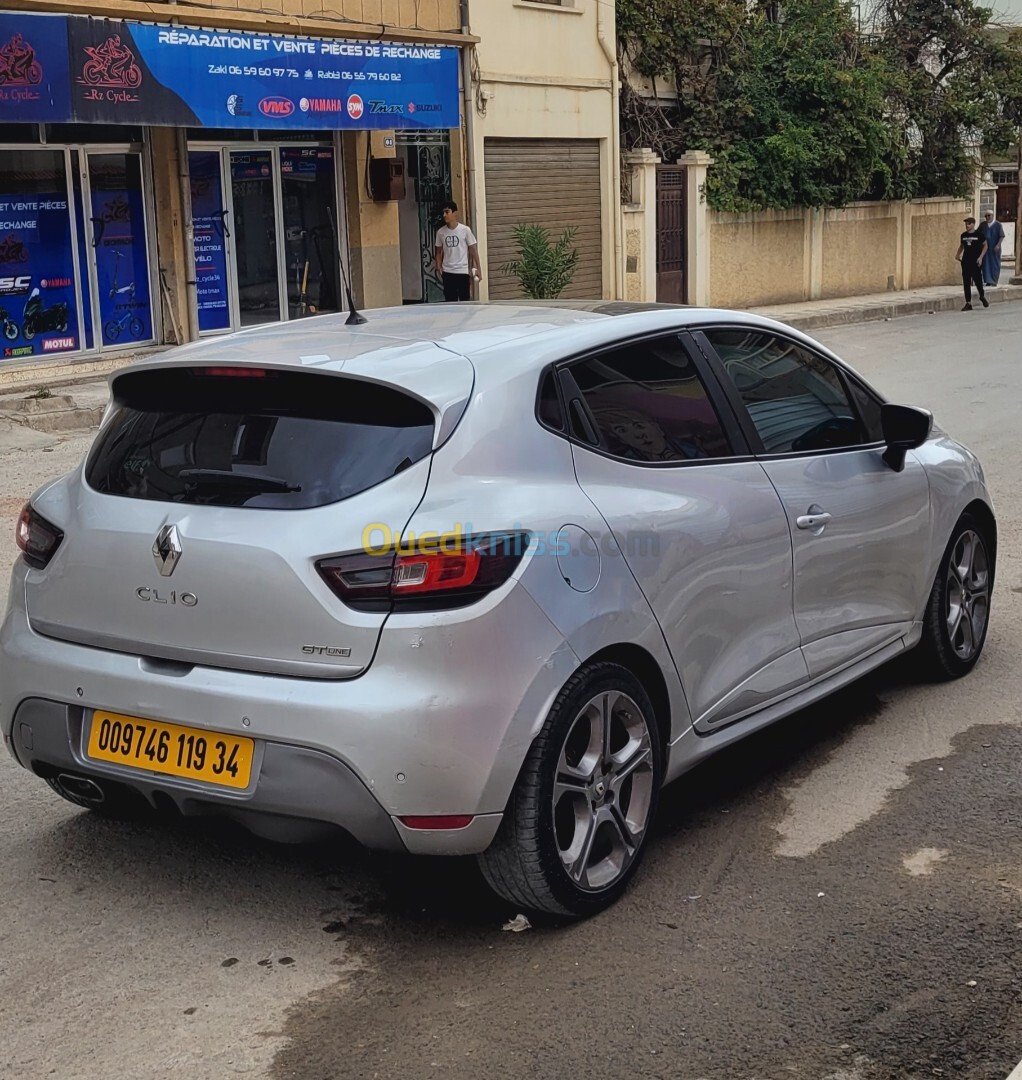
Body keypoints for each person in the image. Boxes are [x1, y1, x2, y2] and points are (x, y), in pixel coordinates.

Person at [435, 201, 481, 302]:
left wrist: (478, 268)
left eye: (447, 212)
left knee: (464, 300)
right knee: (450, 301)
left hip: (462, 271)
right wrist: (438, 265)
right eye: (443, 213)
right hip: (448, 272)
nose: (444, 215)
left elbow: (473, 250)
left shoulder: (465, 230)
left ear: (455, 213)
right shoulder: (441, 232)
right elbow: (438, 251)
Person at [956, 217, 989, 311]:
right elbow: (962, 246)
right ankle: (968, 303)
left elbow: (985, 245)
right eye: (966, 224)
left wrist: (981, 257)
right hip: (966, 261)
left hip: (975, 261)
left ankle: (982, 296)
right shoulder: (963, 235)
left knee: (978, 281)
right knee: (966, 282)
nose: (967, 225)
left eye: (969, 224)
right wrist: (958, 255)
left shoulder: (979, 235)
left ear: (973, 224)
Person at [981, 211, 1005, 287]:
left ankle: (994, 281)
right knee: (986, 264)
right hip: (986, 248)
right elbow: (978, 233)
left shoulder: (998, 225)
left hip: (994, 248)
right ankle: (988, 281)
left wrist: (998, 245)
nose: (987, 217)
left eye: (989, 216)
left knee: (995, 264)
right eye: (986, 216)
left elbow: (1001, 236)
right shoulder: (983, 225)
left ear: (992, 215)